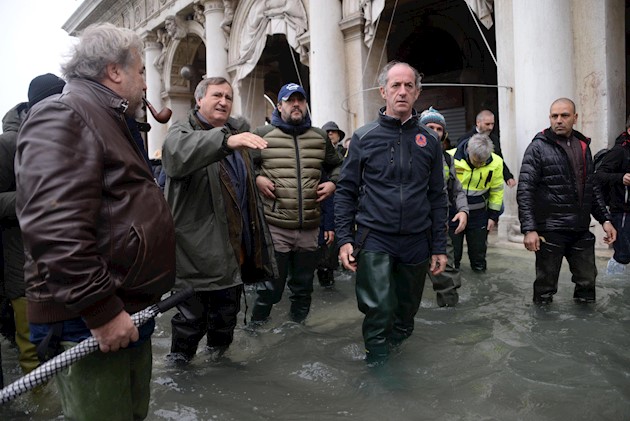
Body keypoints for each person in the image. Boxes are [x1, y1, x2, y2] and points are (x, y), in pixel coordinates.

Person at [15, 23, 175, 420]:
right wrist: (102, 311)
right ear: (114, 71)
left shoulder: (108, 117)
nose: (145, 83)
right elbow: (53, 228)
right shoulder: (65, 113)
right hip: (89, 319)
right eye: (141, 71)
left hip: (123, 309)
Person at [334, 61, 448, 365]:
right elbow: (345, 191)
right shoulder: (363, 137)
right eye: (395, 85)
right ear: (383, 91)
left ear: (417, 92)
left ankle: (394, 348)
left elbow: (438, 196)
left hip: (416, 240)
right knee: (378, 308)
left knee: (406, 313)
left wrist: (439, 246)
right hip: (375, 238)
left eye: (408, 86)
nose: (402, 91)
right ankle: (378, 364)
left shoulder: (430, 141)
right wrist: (345, 239)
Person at [161, 76, 277, 363]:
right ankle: (182, 382)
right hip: (195, 258)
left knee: (225, 325)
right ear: (199, 100)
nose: (223, 101)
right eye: (216, 95)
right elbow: (176, 157)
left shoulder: (235, 135)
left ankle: (220, 373)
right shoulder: (181, 131)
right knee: (189, 327)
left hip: (231, 254)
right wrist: (225, 141)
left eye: (228, 96)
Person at [250, 83, 343, 324]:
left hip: (310, 226)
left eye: (300, 100)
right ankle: (255, 330)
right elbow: (243, 166)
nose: (296, 105)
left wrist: (333, 183)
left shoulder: (319, 137)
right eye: (290, 100)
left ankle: (296, 330)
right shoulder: (262, 134)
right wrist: (257, 178)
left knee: (303, 289)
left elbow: (340, 165)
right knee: (270, 289)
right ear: (279, 106)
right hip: (276, 225)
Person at [517, 98, 616, 304]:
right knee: (545, 288)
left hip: (580, 229)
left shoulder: (583, 145)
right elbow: (525, 190)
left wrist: (605, 220)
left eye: (564, 115)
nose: (559, 120)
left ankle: (586, 327)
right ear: (550, 118)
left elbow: (592, 187)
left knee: (587, 282)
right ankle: (542, 330)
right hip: (550, 230)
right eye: (555, 116)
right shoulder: (537, 147)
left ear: (575, 118)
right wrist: (529, 229)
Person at [0, 73, 66, 376]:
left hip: (65, 265)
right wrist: (34, 199)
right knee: (33, 353)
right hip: (22, 270)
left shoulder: (63, 139)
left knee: (64, 348)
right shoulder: (7, 145)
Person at [419, 107, 469, 306]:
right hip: (411, 226)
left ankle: (450, 313)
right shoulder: (405, 153)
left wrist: (464, 211)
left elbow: (457, 190)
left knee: (446, 274)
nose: (434, 132)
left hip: (440, 226)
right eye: (429, 127)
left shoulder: (448, 159)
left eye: (439, 129)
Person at [448, 133, 504, 272]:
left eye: (483, 162)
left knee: (479, 255)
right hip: (454, 213)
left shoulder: (496, 162)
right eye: (476, 161)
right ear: (468, 151)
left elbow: (497, 190)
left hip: (479, 215)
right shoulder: (449, 157)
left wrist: (493, 217)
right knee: (452, 255)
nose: (479, 165)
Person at [594, 116, 630, 275]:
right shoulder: (619, 151)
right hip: (622, 210)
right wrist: (621, 178)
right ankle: (611, 286)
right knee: (623, 254)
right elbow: (599, 175)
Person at [457, 110, 516, 188]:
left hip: (489, 182)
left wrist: (508, 176)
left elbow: (499, 159)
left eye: (492, 124)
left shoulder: (494, 139)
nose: (490, 127)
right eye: (487, 124)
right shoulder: (464, 140)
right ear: (478, 122)